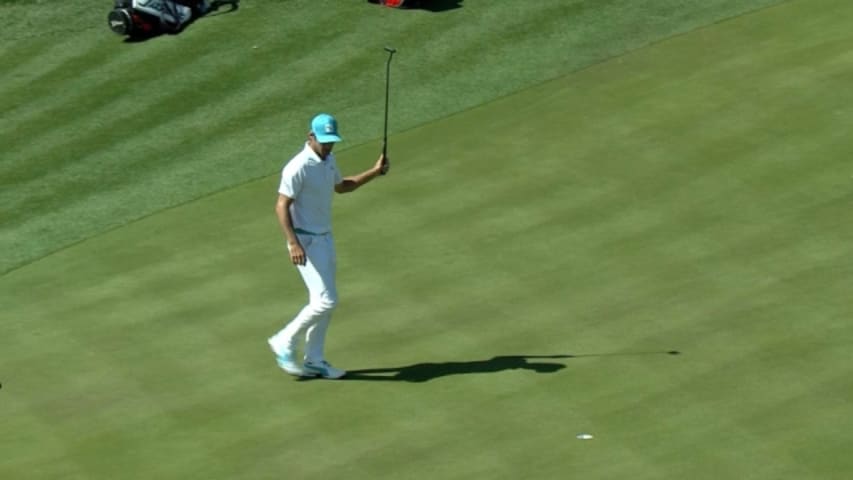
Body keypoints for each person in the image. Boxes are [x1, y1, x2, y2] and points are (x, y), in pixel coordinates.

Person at [268, 113, 389, 379]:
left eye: (331, 141)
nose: (328, 146)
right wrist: (293, 243)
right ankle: (283, 340)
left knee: (323, 301)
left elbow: (343, 187)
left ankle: (315, 360)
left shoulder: (328, 160)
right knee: (326, 300)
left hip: (324, 238)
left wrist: (375, 171)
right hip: (304, 240)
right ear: (310, 137)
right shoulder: (297, 167)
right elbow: (281, 206)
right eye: (324, 141)